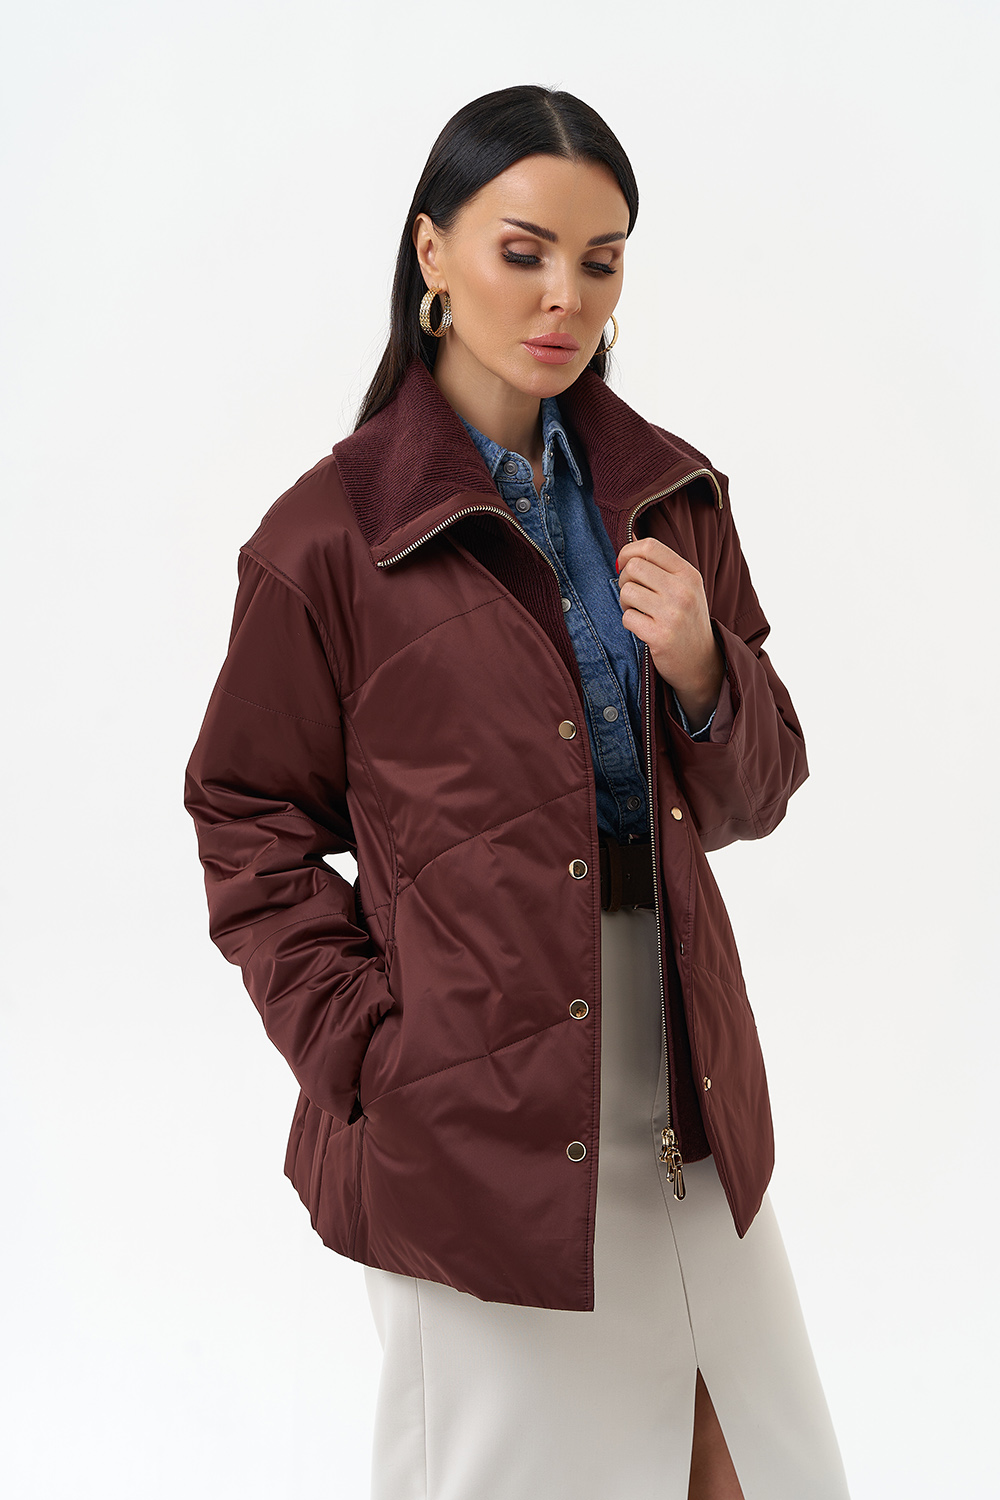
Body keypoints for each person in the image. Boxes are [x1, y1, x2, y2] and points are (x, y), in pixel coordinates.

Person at [184, 84, 851, 1500]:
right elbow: (246, 822)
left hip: (682, 1078)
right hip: (471, 1114)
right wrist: (374, 1050)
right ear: (432, 252)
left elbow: (759, 793)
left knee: (749, 1465)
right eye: (524, 251)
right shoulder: (329, 539)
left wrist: (704, 668)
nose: (566, 298)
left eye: (600, 262)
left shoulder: (669, 496)